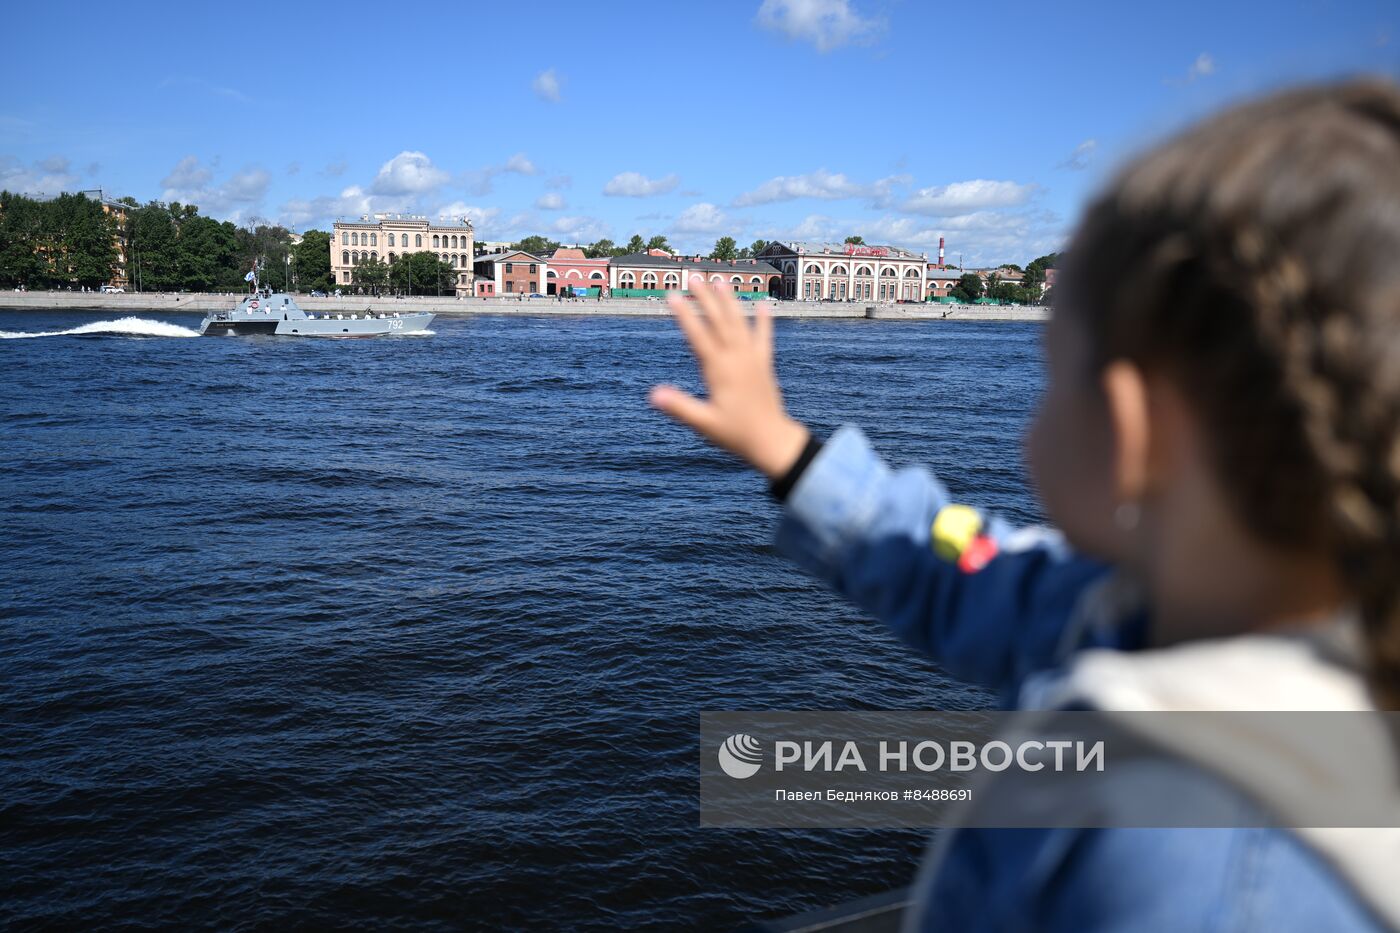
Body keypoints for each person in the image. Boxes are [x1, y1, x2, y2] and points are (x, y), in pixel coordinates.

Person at [650, 80, 1400, 931]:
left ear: (1134, 434)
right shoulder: (1138, 611)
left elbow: (964, 578)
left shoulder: (1184, 859)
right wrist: (789, 452)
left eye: (1051, 372)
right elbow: (958, 568)